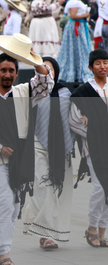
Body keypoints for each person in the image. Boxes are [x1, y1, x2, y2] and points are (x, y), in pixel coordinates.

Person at [0, 52, 53, 265]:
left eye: (11, 71)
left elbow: (46, 84)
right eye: (3, 70)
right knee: (5, 199)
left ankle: (1, 253)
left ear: (17, 74)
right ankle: (3, 252)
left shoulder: (23, 94)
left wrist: (35, 61)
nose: (7, 74)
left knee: (14, 205)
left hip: (19, 160)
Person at [22, 57, 74, 249]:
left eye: (50, 69)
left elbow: (74, 116)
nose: (47, 72)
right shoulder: (32, 92)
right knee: (42, 189)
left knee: (57, 191)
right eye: (43, 69)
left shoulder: (66, 92)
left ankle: (48, 234)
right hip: (38, 144)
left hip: (61, 149)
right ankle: (44, 234)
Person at [69, 48, 108, 247]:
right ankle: (92, 228)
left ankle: (102, 232)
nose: (103, 66)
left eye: (106, 62)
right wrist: (96, 131)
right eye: (98, 63)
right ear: (91, 67)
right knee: (100, 187)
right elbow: (75, 121)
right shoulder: (83, 92)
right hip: (93, 146)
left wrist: (95, 121)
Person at [57, 0, 93, 82]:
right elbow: (73, 16)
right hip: (76, 27)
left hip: (80, 27)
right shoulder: (74, 2)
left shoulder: (77, 2)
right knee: (75, 49)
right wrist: (86, 14)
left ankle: (78, 71)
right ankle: (74, 72)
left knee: (80, 50)